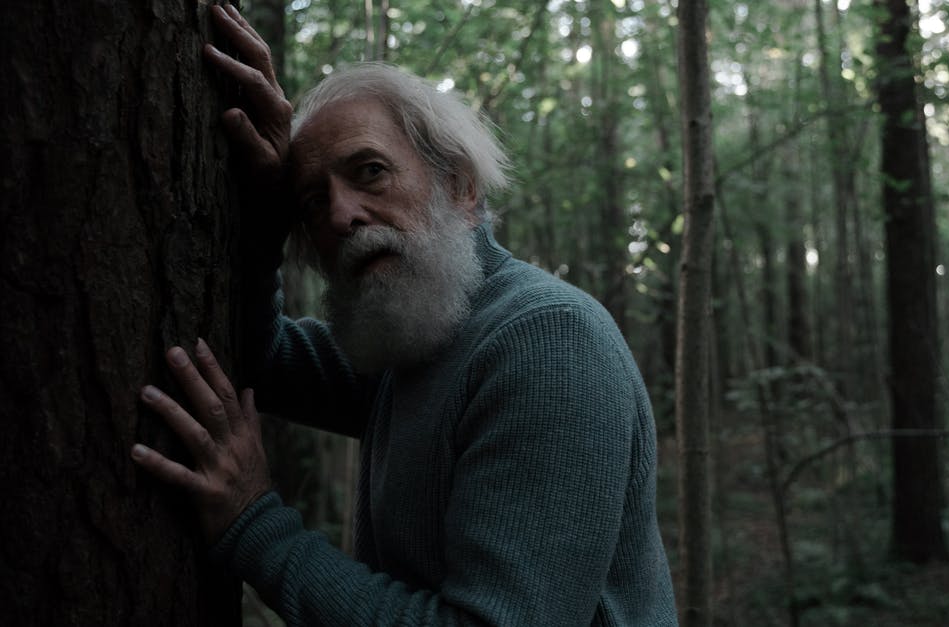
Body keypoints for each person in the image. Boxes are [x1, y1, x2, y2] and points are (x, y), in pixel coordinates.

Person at [130, 4, 678, 625]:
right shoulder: (414, 335)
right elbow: (258, 358)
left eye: (370, 172)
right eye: (313, 202)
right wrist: (261, 230)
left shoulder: (546, 343)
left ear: (461, 186)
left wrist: (254, 524)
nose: (341, 217)